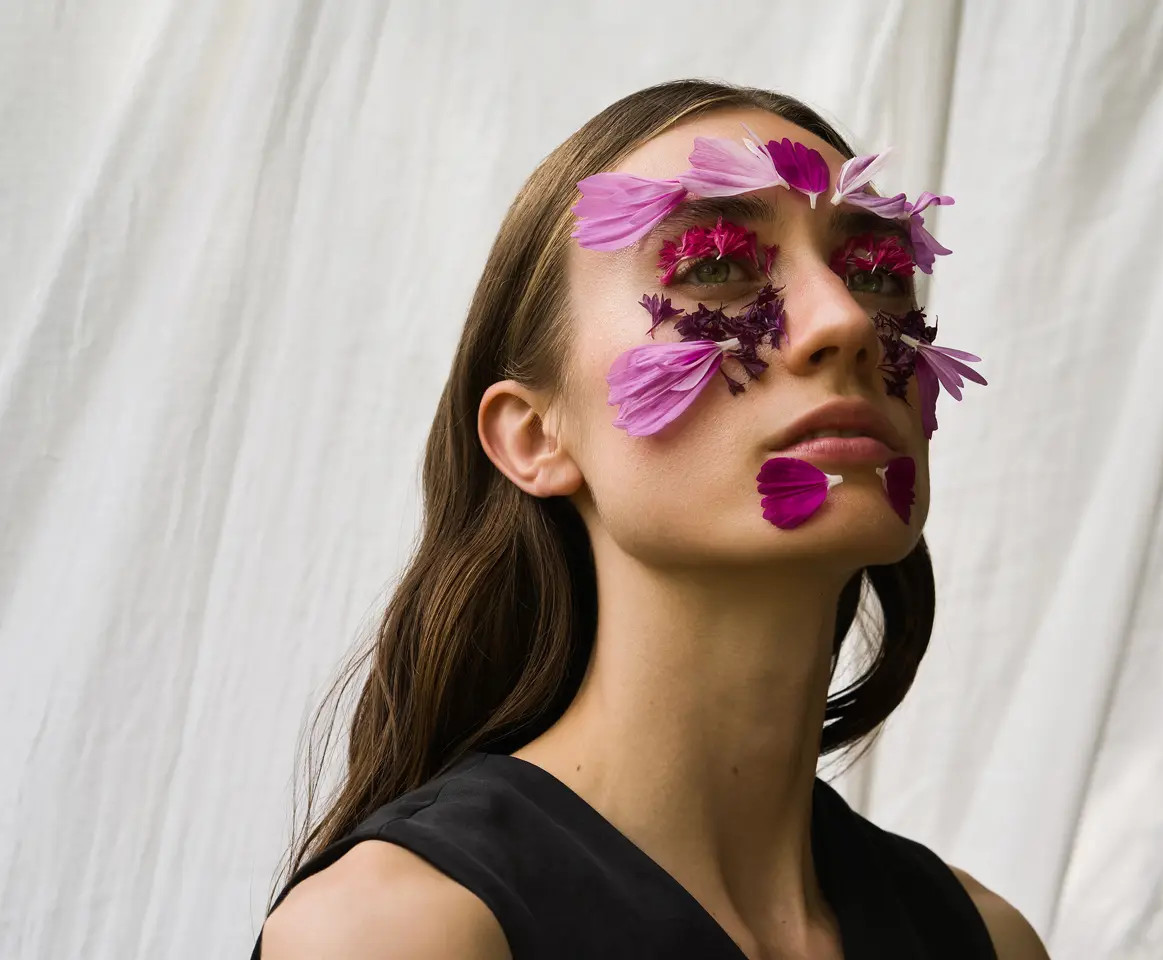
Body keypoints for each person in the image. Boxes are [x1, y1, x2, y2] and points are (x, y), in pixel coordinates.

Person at [253, 79, 1049, 959]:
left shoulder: (988, 942)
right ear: (534, 437)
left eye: (875, 275)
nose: (847, 320)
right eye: (712, 266)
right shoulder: (400, 931)